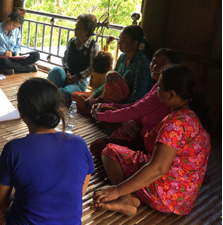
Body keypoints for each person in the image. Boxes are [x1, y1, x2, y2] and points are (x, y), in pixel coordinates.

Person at [0, 78, 95, 224]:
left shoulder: (14, 149)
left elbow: (0, 201)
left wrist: (22, 192)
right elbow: (80, 192)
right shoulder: (79, 143)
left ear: (21, 112)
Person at [92, 65, 211, 216]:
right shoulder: (194, 118)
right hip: (183, 200)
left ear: (171, 95)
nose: (157, 91)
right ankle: (134, 199)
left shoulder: (175, 123)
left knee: (110, 151)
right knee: (139, 158)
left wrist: (117, 190)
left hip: (165, 196)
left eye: (159, 88)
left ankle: (125, 198)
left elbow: (159, 168)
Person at [89, 49, 182, 160]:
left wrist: (100, 115)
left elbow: (135, 110)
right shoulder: (157, 86)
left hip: (145, 140)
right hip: (139, 126)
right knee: (103, 109)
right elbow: (137, 104)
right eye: (154, 61)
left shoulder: (165, 92)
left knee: (97, 147)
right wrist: (110, 107)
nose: (155, 66)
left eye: (163, 63)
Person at [84, 25, 152, 113]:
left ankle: (104, 109)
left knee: (112, 75)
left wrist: (115, 107)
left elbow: (138, 95)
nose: (119, 43)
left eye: (123, 41)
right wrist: (93, 96)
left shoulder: (143, 63)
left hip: (125, 105)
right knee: (76, 96)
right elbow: (108, 84)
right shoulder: (123, 57)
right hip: (110, 98)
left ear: (135, 43)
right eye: (119, 39)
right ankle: (101, 108)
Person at [47, 14, 100, 100]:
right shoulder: (72, 41)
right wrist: (67, 72)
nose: (75, 29)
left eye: (78, 28)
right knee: (56, 71)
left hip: (79, 82)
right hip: (67, 76)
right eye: (76, 26)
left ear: (86, 31)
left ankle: (49, 90)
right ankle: (53, 91)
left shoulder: (93, 46)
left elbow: (91, 68)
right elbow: (65, 59)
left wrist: (77, 77)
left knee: (68, 93)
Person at [0, 9, 40, 75]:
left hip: (13, 57)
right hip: (0, 58)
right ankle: (27, 68)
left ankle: (10, 67)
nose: (14, 28)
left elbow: (17, 46)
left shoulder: (16, 31)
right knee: (4, 62)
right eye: (13, 25)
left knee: (36, 55)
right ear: (9, 19)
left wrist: (16, 53)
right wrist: (3, 53)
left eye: (17, 27)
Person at [72, 49, 114, 113]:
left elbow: (91, 84)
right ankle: (95, 111)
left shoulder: (93, 72)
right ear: (107, 67)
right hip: (102, 98)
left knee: (75, 95)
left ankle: (90, 109)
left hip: (93, 95)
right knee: (101, 106)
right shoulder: (109, 74)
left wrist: (107, 44)